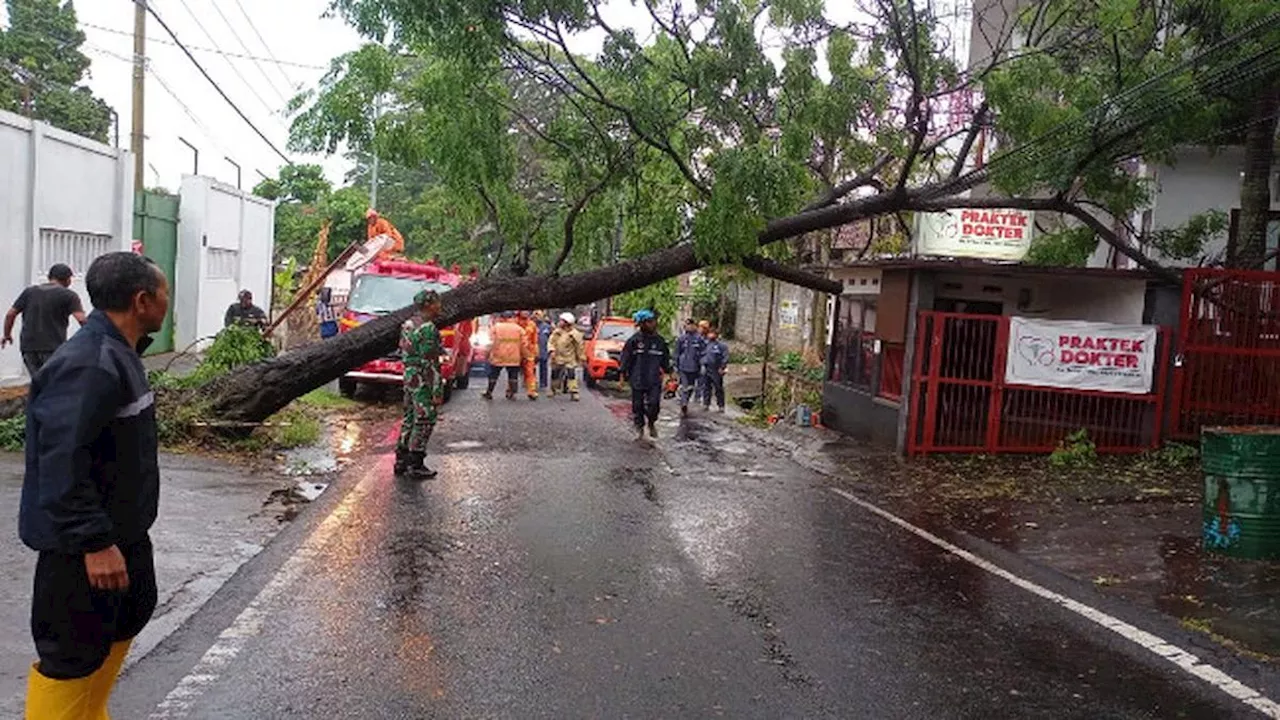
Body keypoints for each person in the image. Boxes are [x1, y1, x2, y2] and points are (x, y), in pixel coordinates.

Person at [20, 252, 169, 718]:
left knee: (128, 615)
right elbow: (62, 462)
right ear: (142, 301)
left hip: (121, 535)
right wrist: (94, 542)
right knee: (70, 657)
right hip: (82, 551)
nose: (168, 303)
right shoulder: (89, 365)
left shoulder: (121, 353)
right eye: (164, 295)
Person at [394, 290, 446, 480]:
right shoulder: (428, 328)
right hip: (423, 378)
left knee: (408, 416)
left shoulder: (407, 324)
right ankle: (416, 462)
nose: (439, 307)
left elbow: (404, 349)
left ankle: (401, 458)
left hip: (409, 375)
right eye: (437, 303)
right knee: (425, 418)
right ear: (429, 305)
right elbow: (431, 362)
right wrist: (437, 389)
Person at [3, 263, 87, 377]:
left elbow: (10, 314)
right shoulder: (69, 295)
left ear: (49, 277)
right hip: (53, 347)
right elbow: (81, 320)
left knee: (38, 382)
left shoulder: (29, 292)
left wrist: (7, 334)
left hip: (28, 347)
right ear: (67, 279)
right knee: (53, 384)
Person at [619, 309, 671, 441]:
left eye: (653, 321)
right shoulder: (634, 341)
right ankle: (639, 427)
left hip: (653, 380)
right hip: (637, 379)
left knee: (654, 404)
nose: (653, 324)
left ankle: (652, 422)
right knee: (637, 406)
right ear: (642, 323)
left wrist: (670, 374)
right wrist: (622, 377)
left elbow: (665, 361)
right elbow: (625, 359)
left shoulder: (660, 342)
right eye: (650, 322)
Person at [482, 312, 528, 400]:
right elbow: (524, 344)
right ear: (512, 318)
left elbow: (490, 342)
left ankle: (489, 392)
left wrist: (486, 354)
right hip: (514, 356)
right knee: (513, 376)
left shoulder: (496, 327)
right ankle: (512, 394)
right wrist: (525, 356)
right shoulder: (519, 329)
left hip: (498, 355)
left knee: (493, 375)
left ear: (502, 318)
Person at [548, 312, 586, 400]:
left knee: (571, 374)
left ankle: (574, 392)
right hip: (557, 357)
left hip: (570, 357)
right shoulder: (557, 332)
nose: (560, 322)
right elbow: (551, 342)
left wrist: (581, 357)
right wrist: (551, 350)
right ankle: (553, 389)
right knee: (555, 374)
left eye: (562, 321)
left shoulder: (575, 334)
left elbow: (579, 347)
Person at [674, 318, 707, 417]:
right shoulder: (681, 339)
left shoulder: (699, 339)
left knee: (691, 387)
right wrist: (675, 365)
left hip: (695, 367)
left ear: (694, 326)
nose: (689, 327)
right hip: (683, 367)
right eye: (687, 325)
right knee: (685, 386)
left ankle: (685, 401)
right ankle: (684, 404)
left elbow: (703, 353)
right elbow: (676, 353)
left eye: (691, 325)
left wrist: (703, 364)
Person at [701, 329, 730, 412]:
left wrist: (722, 367)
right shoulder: (705, 344)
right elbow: (701, 355)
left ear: (716, 335)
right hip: (707, 368)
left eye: (713, 333)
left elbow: (725, 357)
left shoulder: (721, 346)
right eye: (710, 333)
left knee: (718, 387)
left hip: (716, 369)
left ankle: (721, 405)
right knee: (706, 387)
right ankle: (706, 404)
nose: (711, 335)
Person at [516, 311, 539, 400]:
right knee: (513, 372)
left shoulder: (532, 324)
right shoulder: (514, 323)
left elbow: (535, 339)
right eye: (523, 311)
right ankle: (511, 390)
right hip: (516, 350)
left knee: (530, 372)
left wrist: (536, 352)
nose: (526, 313)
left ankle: (531, 391)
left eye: (527, 311)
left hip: (529, 351)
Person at [534, 310, 553, 389]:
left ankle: (543, 382)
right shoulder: (531, 326)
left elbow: (552, 338)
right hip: (533, 350)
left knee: (543, 367)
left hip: (543, 350)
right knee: (531, 367)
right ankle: (532, 382)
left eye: (538, 315)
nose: (537, 317)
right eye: (536, 316)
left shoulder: (547, 327)